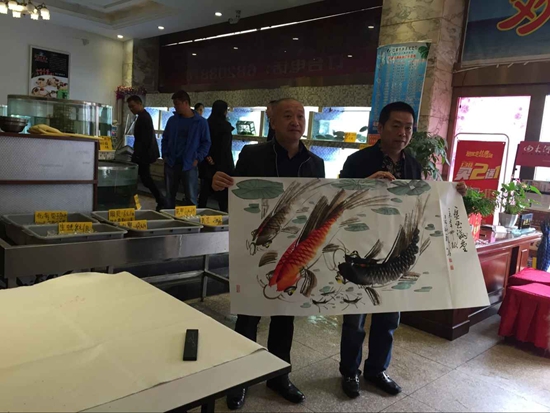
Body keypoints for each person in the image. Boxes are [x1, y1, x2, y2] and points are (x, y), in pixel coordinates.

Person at [338, 101, 467, 399]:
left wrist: (453, 193)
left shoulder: (414, 166)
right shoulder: (357, 161)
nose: (403, 133)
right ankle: (349, 371)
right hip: (363, 249)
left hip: (398, 249)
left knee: (389, 317)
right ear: (380, 127)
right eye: (396, 126)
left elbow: (421, 205)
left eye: (408, 127)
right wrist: (364, 185)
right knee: (355, 317)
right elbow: (339, 199)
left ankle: (377, 370)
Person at [212, 98, 325, 410]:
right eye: (287, 115)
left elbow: (319, 205)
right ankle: (241, 378)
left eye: (300, 116)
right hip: (256, 249)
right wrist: (218, 183)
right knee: (248, 314)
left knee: (285, 315)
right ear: (272, 122)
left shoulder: (315, 164)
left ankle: (278, 375)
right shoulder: (252, 154)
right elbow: (235, 195)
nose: (295, 121)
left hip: (293, 251)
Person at [162, 90, 211, 207]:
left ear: (186, 103)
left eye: (177, 104)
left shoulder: (200, 122)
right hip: (171, 162)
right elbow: (165, 138)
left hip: (189, 164)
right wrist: (165, 154)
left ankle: (191, 218)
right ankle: (168, 216)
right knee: (169, 196)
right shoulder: (172, 120)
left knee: (191, 197)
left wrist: (197, 158)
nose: (175, 107)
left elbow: (206, 143)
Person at [126, 95, 164, 211]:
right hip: (143, 154)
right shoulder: (142, 116)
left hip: (143, 155)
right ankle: (160, 199)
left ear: (139, 103)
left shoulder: (144, 118)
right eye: (129, 107)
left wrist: (138, 155)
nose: (131, 109)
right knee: (143, 179)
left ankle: (161, 200)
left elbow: (145, 140)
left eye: (132, 106)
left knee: (145, 179)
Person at [198, 100, 234, 212]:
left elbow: (202, 143)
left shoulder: (206, 124)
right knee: (222, 196)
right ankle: (225, 217)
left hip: (207, 163)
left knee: (204, 193)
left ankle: (199, 214)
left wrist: (209, 158)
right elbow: (225, 148)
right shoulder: (226, 126)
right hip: (223, 165)